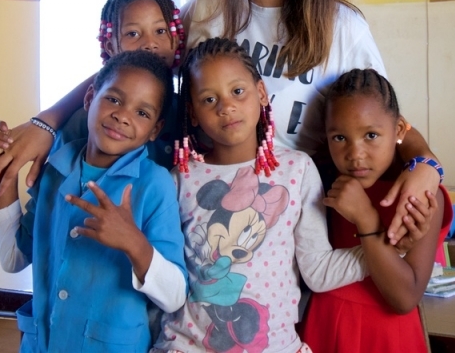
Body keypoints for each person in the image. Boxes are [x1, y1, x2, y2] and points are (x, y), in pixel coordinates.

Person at [0, 0, 442, 244]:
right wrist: (48, 122)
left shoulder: (342, 27)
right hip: (201, 221)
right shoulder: (208, 9)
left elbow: (382, 120)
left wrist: (427, 165)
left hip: (296, 231)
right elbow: (133, 72)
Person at [152, 38, 368, 353]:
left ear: (261, 93)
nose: (226, 107)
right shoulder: (179, 179)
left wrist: (384, 249)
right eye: (209, 99)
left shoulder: (297, 170)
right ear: (192, 113)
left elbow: (317, 270)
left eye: (237, 91)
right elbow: (167, 276)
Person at [0, 51, 188, 353]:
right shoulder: (54, 169)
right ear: (89, 97)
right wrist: (6, 173)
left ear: (155, 129)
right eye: (114, 99)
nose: (123, 115)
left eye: (142, 113)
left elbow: (175, 296)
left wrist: (134, 243)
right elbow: (13, 258)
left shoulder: (154, 184)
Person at [300, 69, 452, 353]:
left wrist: (366, 217)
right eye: (339, 138)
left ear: (398, 131)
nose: (355, 154)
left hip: (387, 334)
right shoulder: (321, 182)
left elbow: (406, 296)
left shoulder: (421, 194)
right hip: (324, 325)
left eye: (371, 135)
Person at [0, 0, 185, 173]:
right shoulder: (83, 120)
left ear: (176, 38)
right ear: (110, 47)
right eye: (132, 34)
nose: (150, 43)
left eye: (160, 31)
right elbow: (53, 190)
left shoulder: (186, 111)